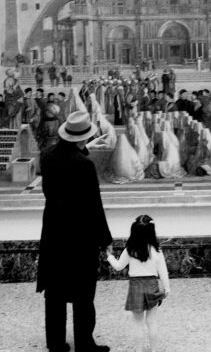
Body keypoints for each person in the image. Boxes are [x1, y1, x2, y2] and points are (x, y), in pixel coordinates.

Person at [37, 111, 112, 352]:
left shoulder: (46, 156)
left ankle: (56, 343)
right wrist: (105, 239)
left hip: (53, 231)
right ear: (82, 139)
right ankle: (84, 343)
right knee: (82, 292)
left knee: (55, 292)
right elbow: (94, 204)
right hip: (80, 234)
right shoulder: (84, 164)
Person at [107, 215, 171, 352]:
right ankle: (154, 350)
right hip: (152, 285)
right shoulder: (156, 251)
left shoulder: (129, 250)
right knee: (152, 321)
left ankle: (139, 350)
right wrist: (167, 288)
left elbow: (118, 266)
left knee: (138, 323)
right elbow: (163, 272)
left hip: (135, 286)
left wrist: (110, 257)